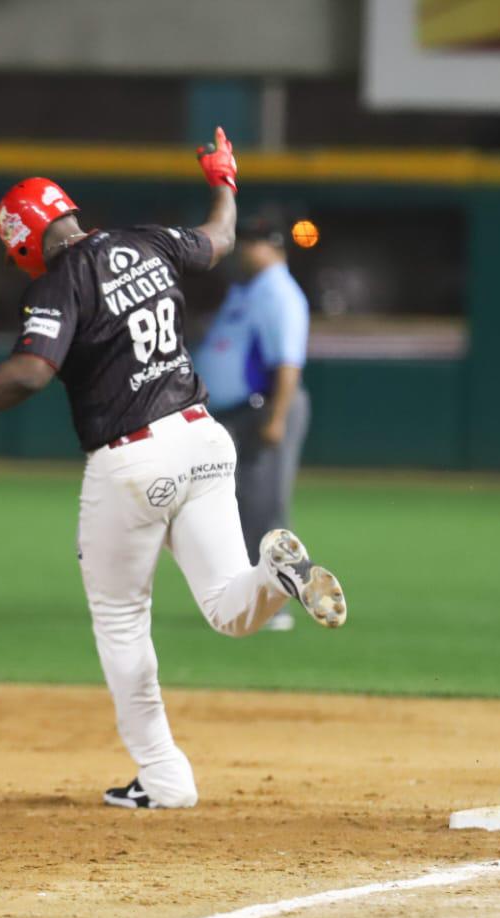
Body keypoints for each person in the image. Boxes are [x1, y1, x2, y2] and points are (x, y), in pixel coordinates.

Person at [0, 128, 347, 811]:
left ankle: (164, 778)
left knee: (121, 620)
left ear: (22, 239)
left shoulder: (60, 279)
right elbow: (220, 239)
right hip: (204, 439)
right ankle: (276, 572)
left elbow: (28, 372)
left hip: (132, 459)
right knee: (230, 608)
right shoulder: (147, 239)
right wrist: (224, 176)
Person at [192, 214, 311, 632]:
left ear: (272, 247)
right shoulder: (249, 290)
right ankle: (247, 599)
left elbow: (288, 363)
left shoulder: (279, 293)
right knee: (238, 508)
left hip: (262, 410)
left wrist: (276, 417)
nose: (242, 249)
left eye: (250, 242)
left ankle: (276, 605)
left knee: (263, 507)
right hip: (235, 413)